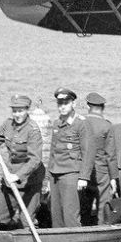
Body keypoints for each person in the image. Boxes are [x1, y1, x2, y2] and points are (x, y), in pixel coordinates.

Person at [0, 94, 45, 228]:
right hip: (10, 180)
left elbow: (35, 160)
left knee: (26, 220)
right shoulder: (8, 124)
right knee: (0, 218)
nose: (17, 114)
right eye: (15, 111)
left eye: (20, 111)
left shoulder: (33, 130)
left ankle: (29, 241)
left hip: (30, 182)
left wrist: (17, 176)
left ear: (27, 110)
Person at [46, 88, 92, 228]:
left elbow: (88, 152)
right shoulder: (56, 124)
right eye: (60, 103)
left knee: (70, 214)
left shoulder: (81, 123)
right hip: (55, 174)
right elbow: (53, 153)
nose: (62, 106)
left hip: (71, 174)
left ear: (74, 103)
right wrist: (48, 178)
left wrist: (84, 177)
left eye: (66, 103)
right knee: (56, 213)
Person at [79, 92, 116, 225]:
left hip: (82, 169)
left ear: (88, 105)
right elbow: (111, 155)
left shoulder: (80, 122)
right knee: (102, 205)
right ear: (103, 107)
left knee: (83, 202)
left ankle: (83, 228)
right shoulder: (107, 125)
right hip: (102, 172)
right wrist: (113, 177)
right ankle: (101, 228)